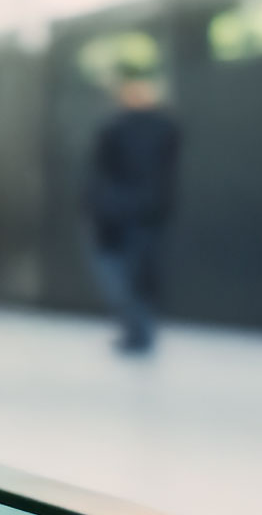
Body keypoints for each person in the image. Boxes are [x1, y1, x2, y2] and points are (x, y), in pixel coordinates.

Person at [85, 76, 179, 355]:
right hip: (117, 213)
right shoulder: (115, 127)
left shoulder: (161, 127)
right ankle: (135, 329)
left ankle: (140, 331)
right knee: (120, 274)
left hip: (144, 214)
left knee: (140, 276)